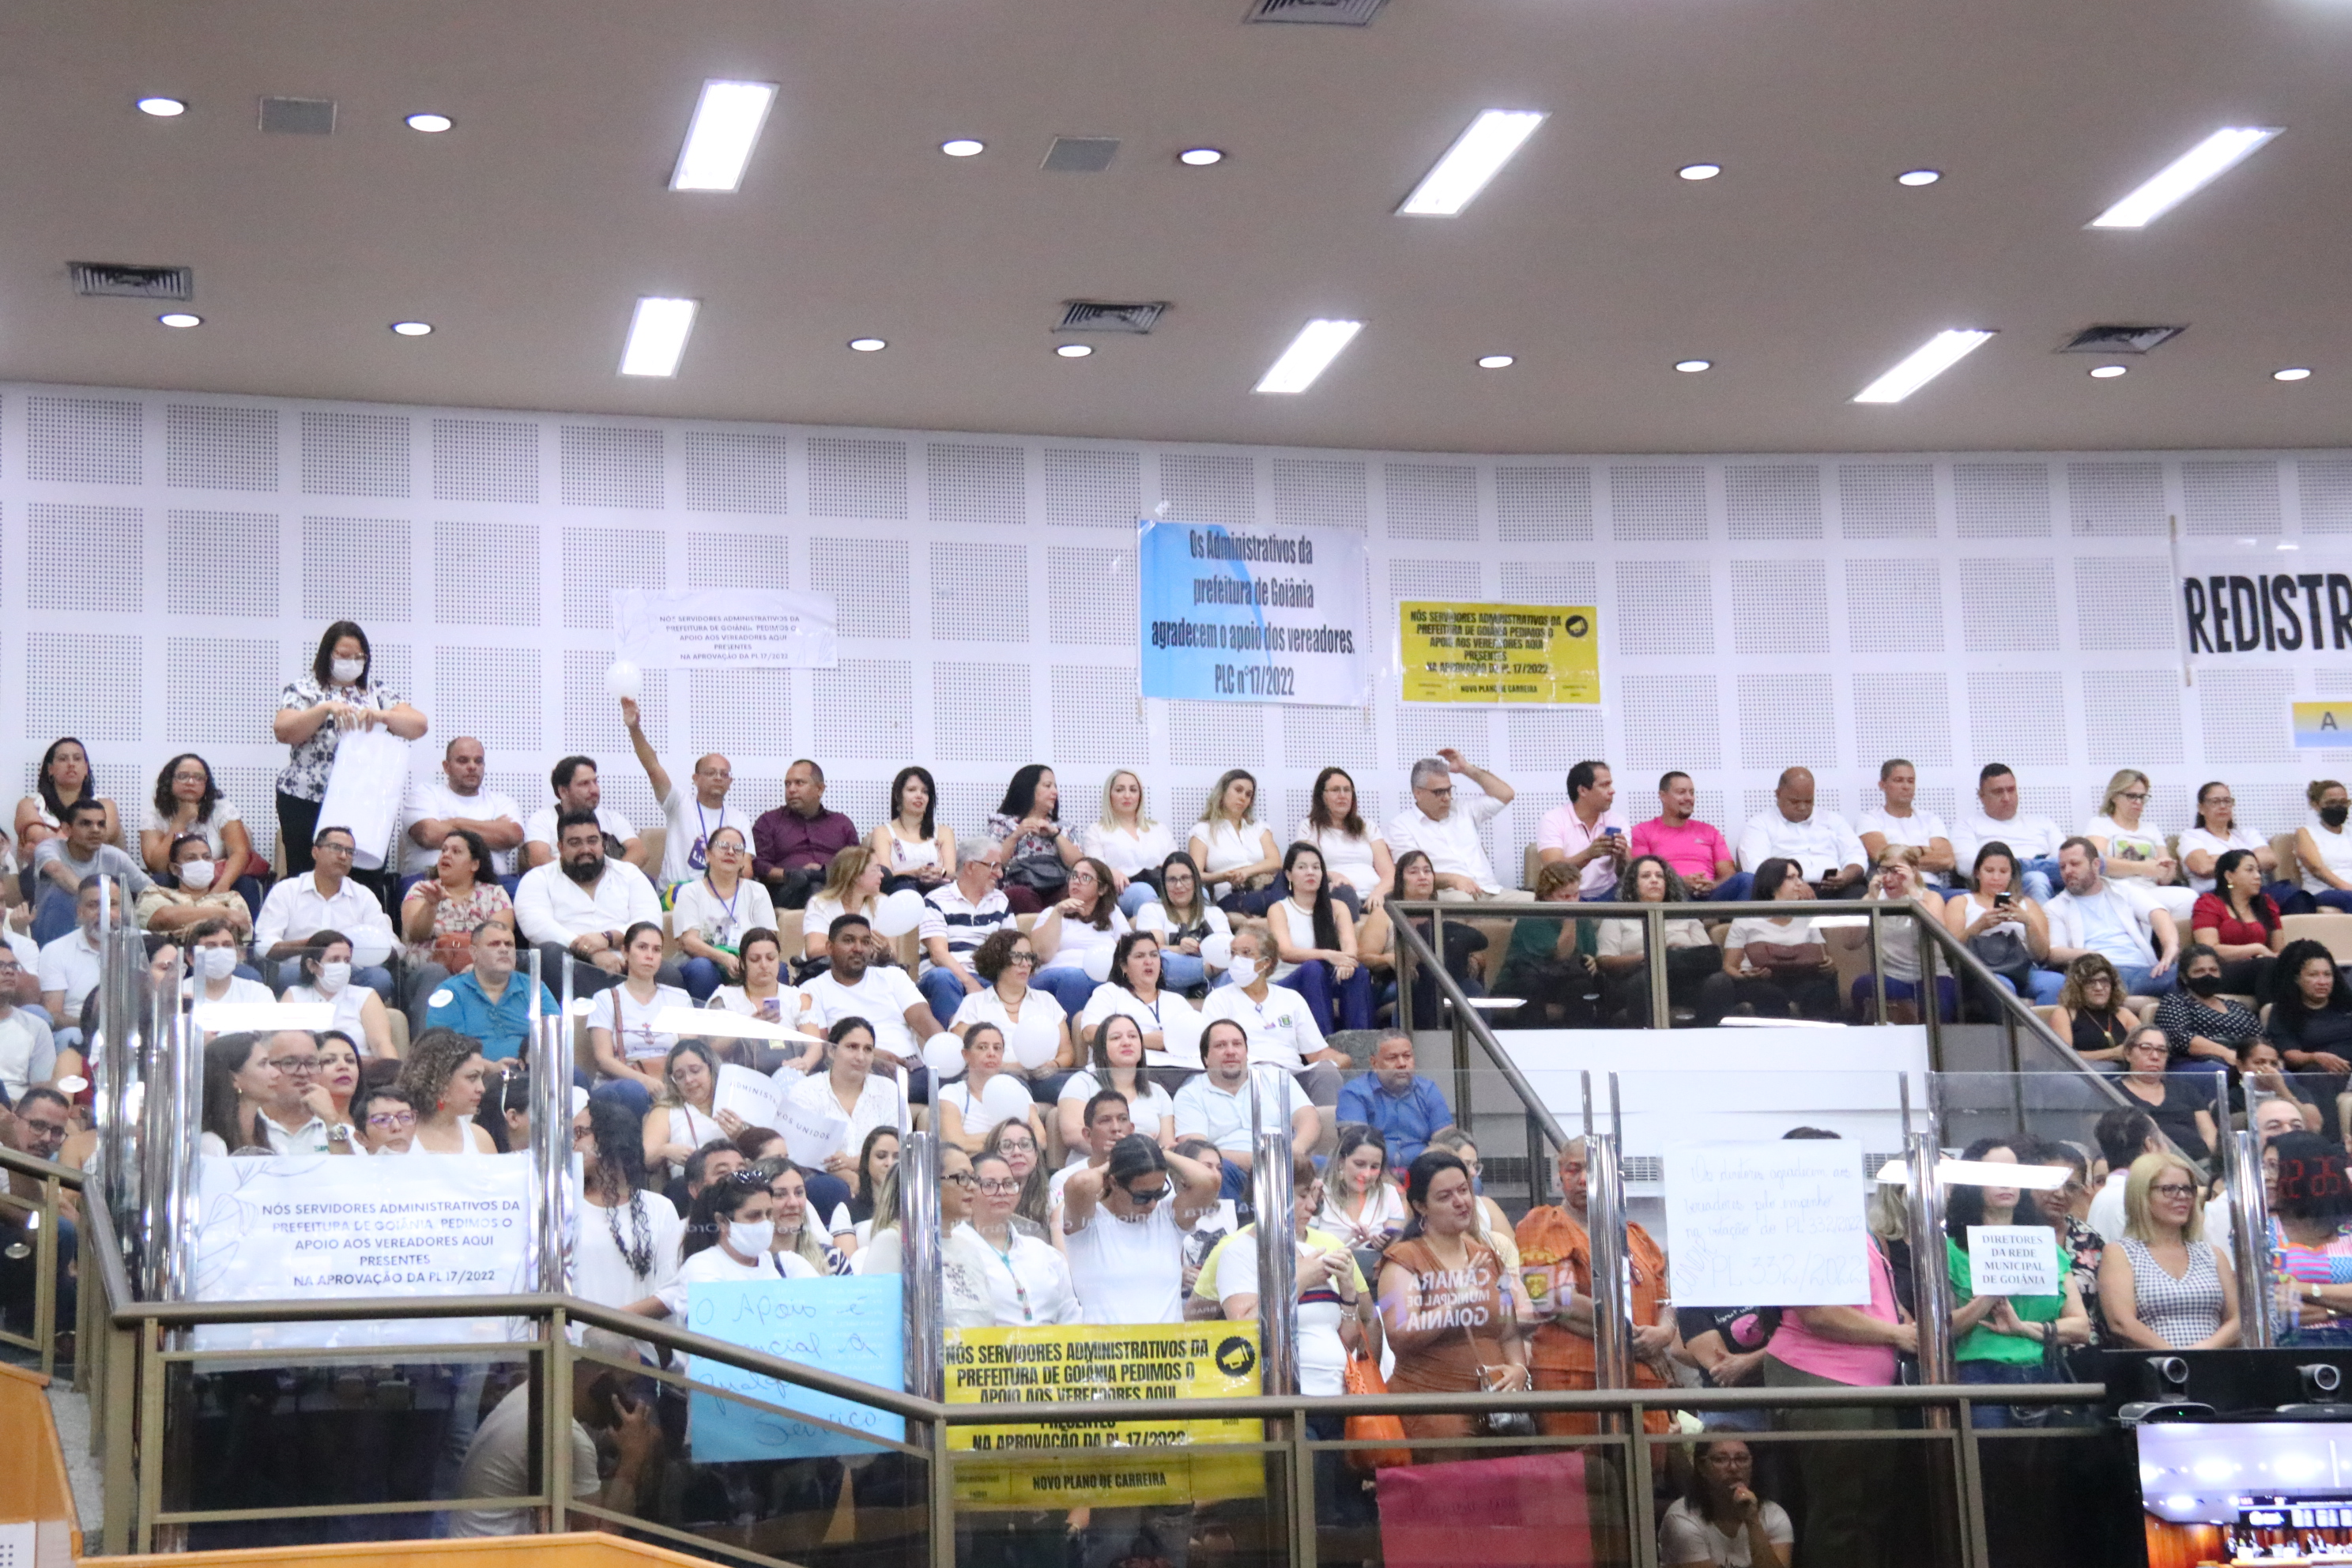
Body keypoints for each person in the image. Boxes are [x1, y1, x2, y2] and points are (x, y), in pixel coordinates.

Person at [1758, 1128, 1914, 1568]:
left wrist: (1909, 1325)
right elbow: (1818, 1312)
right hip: (1822, 1377)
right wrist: (1896, 1335)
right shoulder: (1796, 1226)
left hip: (1870, 1384)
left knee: (1872, 1511)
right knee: (1838, 1512)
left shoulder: (1857, 1229)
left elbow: (1882, 1305)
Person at [1377, 1149, 1536, 1457]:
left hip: (1497, 1411)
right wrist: (1455, 1303)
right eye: (1445, 1196)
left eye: (1464, 1190)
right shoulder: (1403, 1260)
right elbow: (1399, 1335)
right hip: (1434, 1409)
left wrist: (1519, 1369)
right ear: (1420, 1206)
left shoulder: (1487, 1256)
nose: (1461, 1201)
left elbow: (1509, 1331)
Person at [1516, 1136, 1677, 1434]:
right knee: (1582, 1463)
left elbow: (1664, 1300)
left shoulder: (1637, 1235)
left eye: (1592, 1170)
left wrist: (1664, 1333)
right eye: (1573, 1169)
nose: (1582, 1179)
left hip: (1643, 1376)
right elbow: (1553, 1299)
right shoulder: (1543, 1224)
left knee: (1650, 1462)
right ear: (1559, 1175)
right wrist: (1629, 1340)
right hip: (1573, 1378)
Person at [448, 1329, 662, 1536]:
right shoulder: (565, 1435)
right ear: (602, 1383)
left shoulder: (533, 1393)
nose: (633, 1401)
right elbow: (596, 1545)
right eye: (628, 1386)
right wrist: (633, 1458)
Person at [1943, 1138, 2089, 1424]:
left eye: (2013, 1174)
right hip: (1979, 1376)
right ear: (1971, 1183)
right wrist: (1991, 1294)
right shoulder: (1948, 1250)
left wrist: (2023, 1328)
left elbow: (2081, 1327)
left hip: (2043, 1373)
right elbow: (1941, 1329)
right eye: (1994, 1174)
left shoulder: (2047, 1248)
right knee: (1988, 1453)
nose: (2006, 1183)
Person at [273, 620, 428, 876]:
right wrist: (325, 709)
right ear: (327, 655)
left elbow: (418, 725)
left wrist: (382, 716)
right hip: (307, 800)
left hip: (363, 801)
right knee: (308, 874)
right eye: (344, 656)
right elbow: (284, 730)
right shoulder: (304, 689)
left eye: (359, 657)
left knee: (364, 877)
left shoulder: (375, 691)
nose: (352, 663)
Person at [1059, 1133, 1222, 1323]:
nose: (1152, 1204)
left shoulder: (1168, 1217)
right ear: (1113, 1182)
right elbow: (1082, 1183)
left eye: (1159, 1194)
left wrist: (1160, 1154)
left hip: (1168, 1343)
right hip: (1106, 1342)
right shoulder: (1088, 1223)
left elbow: (1209, 1181)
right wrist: (1113, 1163)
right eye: (1142, 1197)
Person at [513, 809, 668, 997]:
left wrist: (608, 938)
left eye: (592, 841)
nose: (586, 849)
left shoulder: (629, 874)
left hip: (626, 965)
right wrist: (590, 953)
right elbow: (537, 927)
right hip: (572, 966)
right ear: (560, 847)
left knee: (669, 973)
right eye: (575, 843)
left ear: (602, 843)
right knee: (550, 953)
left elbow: (650, 921)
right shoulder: (538, 878)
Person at [2100, 1149, 2240, 1349]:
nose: (2182, 1196)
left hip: (2211, 1363)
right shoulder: (2121, 1254)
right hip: (2154, 1364)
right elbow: (2122, 1323)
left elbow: (2237, 1320)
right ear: (2142, 1195)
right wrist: (2177, 1357)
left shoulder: (2212, 1254)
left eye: (2188, 1189)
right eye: (2169, 1189)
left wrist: (2206, 1350)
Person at [1173, 1016, 1319, 1199]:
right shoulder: (1190, 1094)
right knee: (1217, 1173)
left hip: (1287, 1163)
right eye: (1220, 1046)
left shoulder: (1275, 1077)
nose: (1231, 1051)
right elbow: (1195, 1149)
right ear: (1205, 1058)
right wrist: (1261, 1161)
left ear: (1246, 1052)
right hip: (1233, 1171)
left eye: (1237, 1044)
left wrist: (1294, 1151)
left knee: (1328, 1165)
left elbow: (1309, 1118)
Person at [1200, 925, 1348, 1104]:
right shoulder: (1218, 999)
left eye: (1246, 953)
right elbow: (1214, 1051)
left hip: (1292, 1077)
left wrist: (1340, 1059)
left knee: (1326, 1073)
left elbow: (1316, 1054)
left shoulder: (1291, 999)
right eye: (1233, 953)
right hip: (1247, 1077)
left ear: (1266, 962)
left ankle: (1324, 1122)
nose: (1237, 959)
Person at [620, 695, 750, 891]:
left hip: (720, 893)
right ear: (695, 779)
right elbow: (653, 768)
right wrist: (634, 729)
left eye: (724, 774)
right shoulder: (678, 803)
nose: (718, 777)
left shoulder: (739, 819)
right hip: (676, 894)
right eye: (711, 773)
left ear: (730, 782)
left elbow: (746, 869)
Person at [798, 915, 942, 1091]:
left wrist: (947, 1056)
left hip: (910, 1071)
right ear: (830, 947)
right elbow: (823, 1049)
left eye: (865, 942)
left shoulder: (893, 977)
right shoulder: (812, 990)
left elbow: (928, 1025)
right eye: (849, 941)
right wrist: (871, 1056)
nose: (858, 948)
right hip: (858, 1072)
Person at [253, 824, 398, 997]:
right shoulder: (286, 890)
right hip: (303, 969)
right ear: (315, 852)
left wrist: (352, 949)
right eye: (336, 848)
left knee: (380, 978)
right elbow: (264, 946)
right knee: (288, 976)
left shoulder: (364, 896)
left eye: (350, 852)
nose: (343, 856)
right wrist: (311, 945)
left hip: (350, 971)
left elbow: (392, 946)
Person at [1592, 854, 1731, 1027]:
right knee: (1647, 980)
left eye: (1659, 876)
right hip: (1637, 980)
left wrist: (1681, 952)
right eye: (1646, 876)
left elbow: (1707, 954)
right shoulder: (1617, 918)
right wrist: (1651, 957)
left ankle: (1706, 1034)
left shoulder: (1685, 916)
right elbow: (1605, 961)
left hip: (1685, 980)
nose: (1654, 880)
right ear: (1633, 884)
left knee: (1719, 981)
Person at [571, 1095, 683, 1300]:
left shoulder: (660, 1208)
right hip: (575, 1321)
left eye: (579, 1133)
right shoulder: (563, 1206)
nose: (572, 1144)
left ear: (611, 1135)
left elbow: (671, 1290)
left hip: (634, 1321)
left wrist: (615, 1320)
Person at [399, 827, 514, 1018]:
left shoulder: (495, 894)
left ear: (475, 864)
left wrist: (457, 950)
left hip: (478, 969)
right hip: (426, 971)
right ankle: (430, 1036)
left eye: (456, 851)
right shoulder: (421, 890)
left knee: (481, 974)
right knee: (435, 972)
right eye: (444, 850)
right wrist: (431, 905)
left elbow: (498, 940)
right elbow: (415, 934)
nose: (446, 855)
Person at [2043, 836, 2179, 997]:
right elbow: (2054, 952)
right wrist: (2091, 955)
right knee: (2180, 982)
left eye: (2075, 864)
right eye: (2062, 867)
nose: (2068, 871)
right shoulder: (2054, 907)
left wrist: (2170, 948)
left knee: (2189, 972)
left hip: (2145, 970)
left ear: (2096, 865)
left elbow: (2158, 913)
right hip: (2102, 975)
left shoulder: (2124, 890)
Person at [964, 1148, 1085, 1324]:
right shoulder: (958, 1249)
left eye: (1008, 1184)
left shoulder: (1043, 1253)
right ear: (969, 1190)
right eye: (989, 1184)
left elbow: (1071, 1317)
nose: (1001, 1192)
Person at [586, 921, 695, 1115]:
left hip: (669, 1083)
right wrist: (644, 1081)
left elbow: (689, 1052)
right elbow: (604, 1059)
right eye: (642, 947)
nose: (650, 956)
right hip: (620, 1087)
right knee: (635, 1092)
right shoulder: (605, 998)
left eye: (657, 950)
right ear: (625, 952)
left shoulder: (678, 998)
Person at [948, 927, 1075, 1094]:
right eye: (1017, 957)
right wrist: (1006, 1067)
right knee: (1013, 1087)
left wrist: (1054, 1065)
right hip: (995, 1078)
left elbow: (1066, 1052)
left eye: (1029, 957)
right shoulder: (974, 1003)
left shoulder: (1047, 1001)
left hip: (1043, 1079)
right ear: (998, 960)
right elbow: (964, 1054)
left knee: (1080, 1085)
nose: (1026, 964)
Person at [778, 1017, 906, 1182]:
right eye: (852, 1047)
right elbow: (801, 1152)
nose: (861, 1057)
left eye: (868, 1049)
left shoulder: (888, 1089)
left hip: (881, 1179)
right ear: (831, 1051)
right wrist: (846, 1177)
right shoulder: (806, 1090)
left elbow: (898, 1146)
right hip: (822, 1180)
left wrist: (855, 1163)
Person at [1265, 841, 1373, 1032]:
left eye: (1316, 867)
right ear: (1289, 875)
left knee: (1358, 972)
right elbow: (1285, 952)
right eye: (1302, 867)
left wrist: (1347, 962)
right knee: (1313, 968)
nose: (1310, 872)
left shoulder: (1338, 907)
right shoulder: (1279, 909)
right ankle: (1323, 1042)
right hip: (1288, 981)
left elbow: (1349, 943)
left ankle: (1360, 1041)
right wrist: (1327, 955)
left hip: (1325, 977)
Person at [199, 1029, 356, 1155]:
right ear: (234, 1078)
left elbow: (350, 1177)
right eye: (289, 1062)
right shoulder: (210, 1144)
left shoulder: (274, 1146)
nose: (303, 1072)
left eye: (311, 1063)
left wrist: (332, 1120)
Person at [1838, 851, 1952, 1023]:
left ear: (1913, 871)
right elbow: (1850, 942)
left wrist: (1912, 891)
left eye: (1896, 871)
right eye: (1884, 871)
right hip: (1891, 978)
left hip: (1931, 976)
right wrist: (1872, 902)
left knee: (1938, 1003)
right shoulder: (1871, 899)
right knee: (1864, 985)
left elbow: (1940, 932)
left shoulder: (1930, 897)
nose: (1889, 878)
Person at [1384, 749, 1515, 899]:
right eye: (1439, 792)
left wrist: (1466, 768)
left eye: (1449, 790)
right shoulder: (1401, 826)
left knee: (1534, 902)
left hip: (1491, 890)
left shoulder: (1463, 809)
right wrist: (1452, 879)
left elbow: (1506, 794)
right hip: (1448, 892)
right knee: (1462, 901)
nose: (1446, 797)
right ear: (1418, 793)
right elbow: (1409, 873)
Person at [425, 919, 559, 1063]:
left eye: (509, 944)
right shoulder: (450, 991)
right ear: (474, 953)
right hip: (475, 1075)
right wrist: (490, 1067)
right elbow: (442, 1050)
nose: (504, 949)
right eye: (494, 944)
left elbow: (557, 1036)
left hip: (530, 1070)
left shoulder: (535, 988)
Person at [1941, 842, 2059, 1006]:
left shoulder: (2028, 905)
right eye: (1989, 871)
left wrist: (2027, 922)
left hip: (2024, 969)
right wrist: (1979, 926)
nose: (1996, 878)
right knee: (2003, 987)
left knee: (2055, 983)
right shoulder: (1961, 902)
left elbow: (2041, 955)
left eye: (2003, 872)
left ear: (2012, 874)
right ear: (1977, 873)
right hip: (1982, 969)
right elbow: (1950, 949)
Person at [1721, 858, 1840, 1020]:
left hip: (1802, 979)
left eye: (1799, 877)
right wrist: (1745, 976)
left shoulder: (1807, 917)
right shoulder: (1746, 919)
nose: (1799, 883)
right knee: (1770, 996)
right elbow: (1729, 966)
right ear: (1772, 884)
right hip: (1760, 982)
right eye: (1791, 878)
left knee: (1820, 991)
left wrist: (1829, 965)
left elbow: (1823, 957)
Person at [668, 824, 777, 1001]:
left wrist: (746, 961)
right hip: (704, 962)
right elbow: (688, 942)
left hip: (747, 963)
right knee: (702, 968)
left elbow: (769, 939)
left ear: (743, 860)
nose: (731, 852)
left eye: (738, 849)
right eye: (723, 846)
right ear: (707, 855)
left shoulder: (757, 891)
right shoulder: (690, 892)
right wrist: (724, 958)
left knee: (777, 969)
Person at [1076, 930, 1199, 1084]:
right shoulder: (1109, 993)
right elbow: (1090, 1034)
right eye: (1140, 956)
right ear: (1123, 966)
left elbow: (1198, 1041)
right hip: (1126, 1073)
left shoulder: (1177, 1001)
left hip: (1181, 1073)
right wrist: (1143, 1040)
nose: (1149, 962)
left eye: (1154, 955)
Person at [140, 752, 257, 909]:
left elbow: (240, 852)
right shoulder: (154, 814)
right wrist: (180, 821)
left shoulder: (221, 809)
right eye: (183, 776)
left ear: (206, 783)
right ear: (169, 781)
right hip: (176, 878)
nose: (190, 782)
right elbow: (158, 866)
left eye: (198, 778)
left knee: (247, 884)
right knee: (160, 880)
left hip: (215, 877)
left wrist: (223, 885)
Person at [2262, 938, 2352, 1140]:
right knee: (2314, 1074)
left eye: (2327, 974)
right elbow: (2289, 1054)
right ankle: (2328, 1148)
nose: (2323, 981)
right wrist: (2316, 1057)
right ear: (2297, 979)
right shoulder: (2283, 1012)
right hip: (2326, 1075)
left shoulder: (2347, 1004)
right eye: (2313, 975)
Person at [401, 737, 525, 883]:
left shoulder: (501, 801)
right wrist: (491, 829)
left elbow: (513, 836)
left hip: (492, 883)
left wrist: (456, 823)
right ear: (446, 767)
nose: (472, 766)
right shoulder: (425, 794)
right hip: (432, 881)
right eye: (463, 760)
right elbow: (429, 835)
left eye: (478, 761)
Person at [917, 845, 1016, 1027]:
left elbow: (1011, 949)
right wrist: (969, 982)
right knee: (943, 977)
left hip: (986, 976)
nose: (1000, 874)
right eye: (993, 866)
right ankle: (953, 1039)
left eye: (1001, 867)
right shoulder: (935, 900)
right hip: (946, 975)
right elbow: (939, 955)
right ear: (970, 867)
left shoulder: (1000, 901)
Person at [2267, 1133, 2352, 1344]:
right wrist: (2339, 1309)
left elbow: (2286, 1299)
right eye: (2263, 1166)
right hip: (2289, 1347)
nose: (2265, 1176)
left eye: (2274, 1167)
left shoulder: (2349, 1227)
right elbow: (2269, 1307)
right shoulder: (2262, 1231)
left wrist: (2302, 1289)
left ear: (2305, 1172)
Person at [1492, 860, 1600, 1026]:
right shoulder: (1532, 918)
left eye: (1576, 895)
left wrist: (1592, 960)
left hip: (1564, 979)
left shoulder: (1583, 918)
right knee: (1532, 986)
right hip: (1524, 979)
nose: (1573, 902)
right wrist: (1570, 919)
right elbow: (1561, 955)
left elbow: (1589, 953)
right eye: (1565, 897)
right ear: (1547, 896)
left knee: (1581, 986)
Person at [29, 799, 150, 941]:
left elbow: (151, 890)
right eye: (86, 824)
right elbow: (57, 871)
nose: (95, 830)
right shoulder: (49, 848)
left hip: (103, 932)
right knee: (61, 893)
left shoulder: (115, 856)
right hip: (53, 932)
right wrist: (99, 903)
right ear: (67, 829)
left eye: (101, 824)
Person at [1660, 1440, 1794, 1568]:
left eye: (1742, 1459)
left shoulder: (1773, 1514)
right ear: (1702, 1467)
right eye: (1720, 1459)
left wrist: (1753, 1522)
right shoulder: (1683, 1518)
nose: (1733, 1468)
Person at [1736, 767, 1865, 899]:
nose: (1802, 807)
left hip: (1836, 889)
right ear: (1778, 794)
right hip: (1786, 892)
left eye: (1808, 801)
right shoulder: (1759, 824)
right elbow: (1755, 868)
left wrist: (1847, 875)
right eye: (1795, 802)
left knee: (1861, 893)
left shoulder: (1833, 820)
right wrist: (1793, 883)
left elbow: (1856, 855)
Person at [1057, 1013, 1178, 1154]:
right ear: (1102, 1047)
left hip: (1147, 1165)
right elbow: (1072, 1135)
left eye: (1133, 1036)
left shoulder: (1158, 1092)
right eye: (1116, 1038)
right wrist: (1126, 1149)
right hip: (1095, 1164)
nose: (1126, 1042)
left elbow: (1167, 1146)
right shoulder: (1081, 1083)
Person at [1333, 1034, 1453, 1170]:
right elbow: (1356, 1147)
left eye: (1407, 1056)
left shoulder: (1428, 1090)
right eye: (1392, 1058)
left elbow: (1447, 1141)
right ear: (1374, 1063)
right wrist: (1388, 1180)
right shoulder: (1354, 1092)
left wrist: (1424, 1171)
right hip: (1374, 1172)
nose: (1402, 1064)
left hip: (1423, 1171)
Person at [753, 757, 860, 910]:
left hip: (835, 886)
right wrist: (791, 874)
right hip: (789, 890)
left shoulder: (842, 823)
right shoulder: (769, 821)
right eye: (787, 784)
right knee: (813, 886)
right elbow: (759, 866)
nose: (791, 789)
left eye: (799, 783)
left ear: (820, 789)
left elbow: (857, 863)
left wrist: (825, 872)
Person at [2086, 769, 2192, 918]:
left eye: (2142, 797)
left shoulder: (2151, 829)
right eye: (2132, 796)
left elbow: (2163, 876)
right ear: (2114, 796)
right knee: (2147, 906)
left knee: (2189, 898)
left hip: (2149, 889)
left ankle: (2165, 933)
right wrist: (2144, 867)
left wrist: (2167, 871)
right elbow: (2099, 864)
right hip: (2117, 889)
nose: (2138, 802)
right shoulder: (2099, 824)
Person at [1029, 857, 1127, 1015]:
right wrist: (1058, 913)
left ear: (1102, 889)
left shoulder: (1113, 914)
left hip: (1102, 978)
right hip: (1055, 976)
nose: (1076, 881)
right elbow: (1041, 955)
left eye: (1085, 877)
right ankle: (1071, 1030)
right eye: (1074, 876)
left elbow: (1128, 950)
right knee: (1074, 978)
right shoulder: (1051, 913)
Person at [2154, 944, 2263, 1083]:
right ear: (2184, 977)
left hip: (2242, 1063)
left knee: (2280, 1075)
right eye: (2199, 971)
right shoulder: (2175, 1002)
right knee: (2225, 1075)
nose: (2208, 975)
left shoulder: (2237, 1006)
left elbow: (2259, 1038)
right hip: (2197, 1064)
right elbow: (2179, 1037)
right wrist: (2226, 1053)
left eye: (2213, 970)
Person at [1955, 763, 2066, 901]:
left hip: (2052, 881)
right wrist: (2010, 867)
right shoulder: (1967, 826)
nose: (2007, 798)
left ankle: (2023, 866)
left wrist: (2032, 865)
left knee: (2083, 862)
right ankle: (2020, 867)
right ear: (1981, 796)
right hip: (2005, 884)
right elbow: (1966, 866)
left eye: (2011, 790)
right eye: (1998, 792)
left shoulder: (2042, 822)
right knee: (2037, 878)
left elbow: (2065, 858)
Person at [985, 763, 1082, 914]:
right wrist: (1016, 835)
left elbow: (1079, 864)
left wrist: (1055, 835)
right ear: (1029, 789)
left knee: (1077, 894)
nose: (1055, 792)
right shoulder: (1002, 824)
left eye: (1055, 787)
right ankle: (1041, 926)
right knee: (1019, 895)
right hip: (1020, 887)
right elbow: (993, 863)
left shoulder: (1064, 827)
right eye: (1048, 786)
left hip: (1057, 885)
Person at [1295, 766, 1392, 917]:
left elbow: (1389, 874)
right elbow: (1305, 866)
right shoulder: (1309, 827)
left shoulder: (1368, 827)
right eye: (1335, 790)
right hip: (1337, 894)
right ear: (1322, 796)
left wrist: (1378, 893)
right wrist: (1333, 875)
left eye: (1347, 790)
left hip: (1374, 898)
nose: (1342, 796)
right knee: (1344, 893)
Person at [37, 877, 122, 1049]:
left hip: (132, 1030)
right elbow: (53, 1014)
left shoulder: (143, 944)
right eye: (93, 905)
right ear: (80, 912)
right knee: (72, 1036)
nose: (104, 913)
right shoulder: (55, 950)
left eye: (112, 904)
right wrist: (96, 1026)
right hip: (81, 1031)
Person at [2113, 1026, 2218, 1163]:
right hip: (2142, 1167)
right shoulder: (2110, 1092)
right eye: (2146, 1048)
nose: (2155, 1056)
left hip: (2198, 1165)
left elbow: (2210, 1136)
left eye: (2161, 1050)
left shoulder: (2186, 1089)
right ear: (2128, 1053)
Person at [285, 929, 396, 1059]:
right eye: (335, 960)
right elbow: (285, 1046)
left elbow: (381, 1045)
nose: (342, 966)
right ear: (312, 965)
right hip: (311, 1066)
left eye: (347, 960)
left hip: (359, 1065)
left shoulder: (365, 996)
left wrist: (394, 1069)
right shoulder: (294, 995)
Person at [522, 756, 645, 873]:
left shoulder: (612, 818)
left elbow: (640, 852)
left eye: (595, 782)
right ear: (563, 791)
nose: (594, 790)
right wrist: (581, 878)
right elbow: (538, 860)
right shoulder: (542, 819)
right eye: (584, 784)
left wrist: (610, 877)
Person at [1631, 770, 1740, 900]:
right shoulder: (1642, 831)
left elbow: (1728, 874)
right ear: (1663, 796)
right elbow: (1643, 875)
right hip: (1670, 896)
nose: (1689, 798)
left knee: (1745, 879)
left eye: (1692, 793)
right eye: (1681, 792)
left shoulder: (1710, 831)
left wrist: (1712, 885)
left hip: (1709, 896)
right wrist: (1679, 883)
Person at [2191, 848, 2285, 997]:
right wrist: (2256, 949)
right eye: (2250, 870)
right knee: (2267, 966)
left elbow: (2278, 950)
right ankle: (2270, 1009)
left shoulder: (2266, 905)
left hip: (2260, 968)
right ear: (2229, 876)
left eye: (2258, 871)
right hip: (2220, 971)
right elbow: (2208, 950)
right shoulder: (2209, 903)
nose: (2258, 876)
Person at [938, 1022, 1045, 1152]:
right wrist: (1012, 1139)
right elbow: (954, 1143)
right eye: (983, 1047)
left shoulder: (1018, 1091)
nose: (991, 1053)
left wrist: (976, 1139)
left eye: (997, 1048)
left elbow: (1040, 1140)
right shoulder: (951, 1093)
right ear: (966, 1054)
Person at [1083, 767, 1176, 914]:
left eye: (1133, 790)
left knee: (1201, 893)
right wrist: (1110, 872)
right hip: (1121, 891)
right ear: (1109, 795)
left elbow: (1177, 863)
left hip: (1163, 886)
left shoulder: (1159, 829)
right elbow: (1094, 869)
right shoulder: (1096, 831)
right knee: (1143, 892)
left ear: (1140, 796)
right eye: (1120, 790)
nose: (1127, 796)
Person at [1134, 851, 1229, 993]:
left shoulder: (1214, 913)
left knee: (1234, 969)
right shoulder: (1151, 909)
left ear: (1195, 880)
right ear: (1164, 883)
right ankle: (1209, 970)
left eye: (1185, 878)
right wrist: (1179, 949)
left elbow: (1228, 950)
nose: (1178, 885)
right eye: (1172, 880)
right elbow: (1151, 949)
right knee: (1160, 961)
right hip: (1172, 979)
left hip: (1214, 984)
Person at [1535, 759, 1630, 899]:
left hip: (1609, 894)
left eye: (1610, 785)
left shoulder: (1617, 820)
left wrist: (1621, 856)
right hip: (1568, 895)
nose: (1612, 791)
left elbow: (1628, 872)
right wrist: (1588, 854)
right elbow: (1553, 871)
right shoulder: (1553, 819)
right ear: (1583, 790)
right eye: (1604, 785)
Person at [1189, 767, 1283, 909]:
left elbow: (1275, 862)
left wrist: (1246, 872)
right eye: (1238, 790)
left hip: (1267, 888)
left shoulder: (1258, 827)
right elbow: (1195, 875)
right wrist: (1224, 876)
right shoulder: (1203, 830)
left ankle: (1257, 920)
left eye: (1248, 794)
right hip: (1231, 893)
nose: (1243, 798)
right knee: (1275, 905)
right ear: (1222, 792)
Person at [395, 1027, 499, 1153]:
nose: (482, 1088)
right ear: (440, 1080)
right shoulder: (397, 1137)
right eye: (472, 1077)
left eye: (481, 1077)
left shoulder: (480, 1139)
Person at [643, 1038, 736, 1178]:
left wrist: (739, 1135)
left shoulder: (733, 1101)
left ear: (711, 1068)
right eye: (679, 1076)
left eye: (695, 1071)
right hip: (689, 1183)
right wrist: (665, 1151)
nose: (688, 1080)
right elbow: (646, 1158)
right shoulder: (665, 1110)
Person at [1858, 757, 1957, 886]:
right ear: (1882, 785)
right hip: (1892, 888)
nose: (1906, 787)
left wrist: (1898, 858)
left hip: (1931, 888)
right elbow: (1882, 857)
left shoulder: (1931, 819)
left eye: (1911, 781)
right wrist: (1922, 850)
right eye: (1898, 780)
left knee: (1964, 896)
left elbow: (1947, 860)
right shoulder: (1869, 819)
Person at [136, 830, 252, 938]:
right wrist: (223, 913)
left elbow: (238, 932)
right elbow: (163, 918)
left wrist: (184, 925)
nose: (201, 863)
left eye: (206, 857)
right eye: (191, 858)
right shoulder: (155, 893)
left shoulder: (231, 898)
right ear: (175, 868)